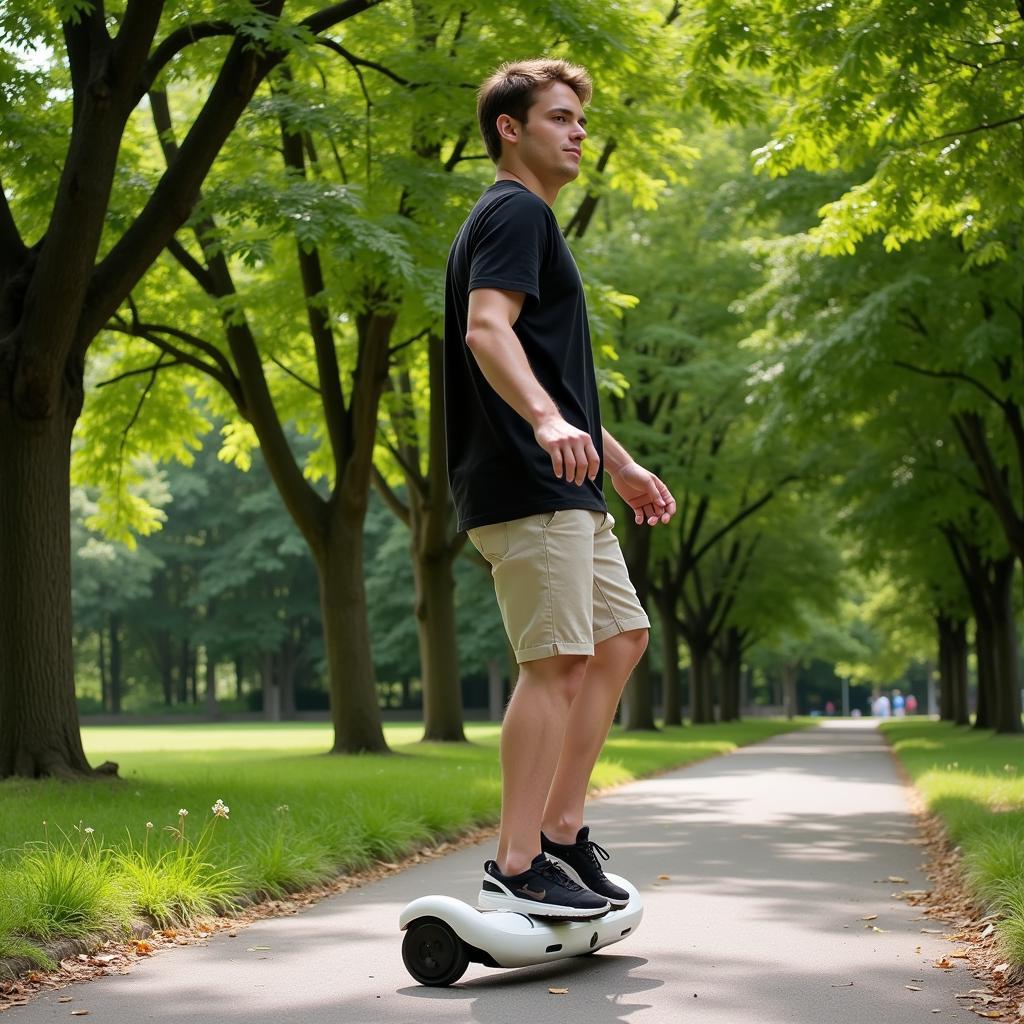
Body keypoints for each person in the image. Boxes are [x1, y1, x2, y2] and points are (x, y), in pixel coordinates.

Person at [444, 58, 676, 920]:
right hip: (526, 479)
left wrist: (615, 459)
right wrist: (546, 423)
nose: (579, 131)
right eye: (561, 117)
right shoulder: (512, 210)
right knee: (557, 663)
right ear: (511, 128)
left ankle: (562, 834)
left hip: (569, 481)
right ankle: (514, 862)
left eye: (580, 119)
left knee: (619, 639)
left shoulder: (531, 222)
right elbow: (486, 329)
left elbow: (543, 365)